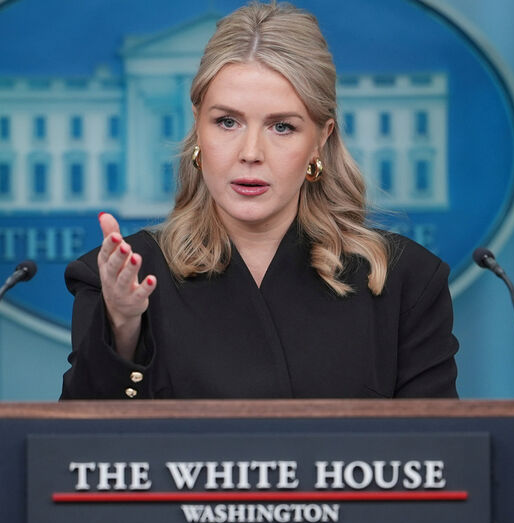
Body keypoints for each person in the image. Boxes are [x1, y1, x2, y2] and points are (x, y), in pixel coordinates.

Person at [60, 2, 458, 400]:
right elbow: (76, 454)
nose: (251, 152)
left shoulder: (405, 282)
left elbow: (440, 456)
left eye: (282, 127)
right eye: (227, 122)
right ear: (198, 126)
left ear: (321, 138)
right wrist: (122, 328)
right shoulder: (126, 280)